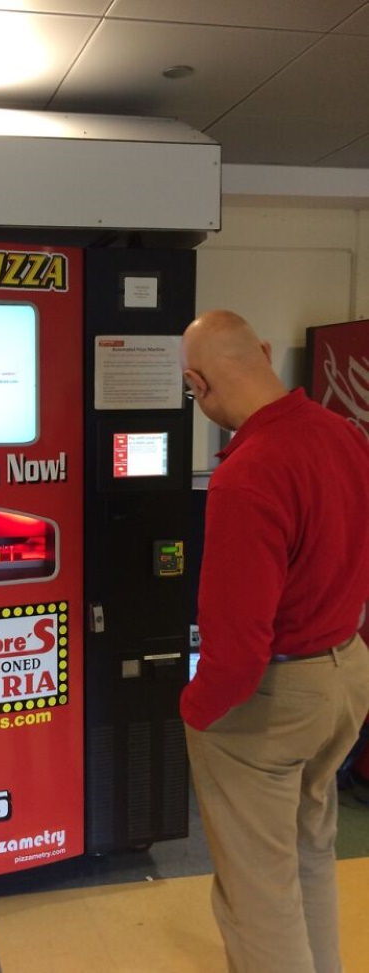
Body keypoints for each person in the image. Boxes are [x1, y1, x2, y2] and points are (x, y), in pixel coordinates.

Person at [180, 309, 369, 973]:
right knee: (309, 850)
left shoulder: (247, 473)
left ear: (198, 384)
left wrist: (194, 710)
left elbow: (235, 651)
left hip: (275, 699)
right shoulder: (344, 435)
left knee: (257, 890)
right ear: (261, 350)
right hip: (346, 676)